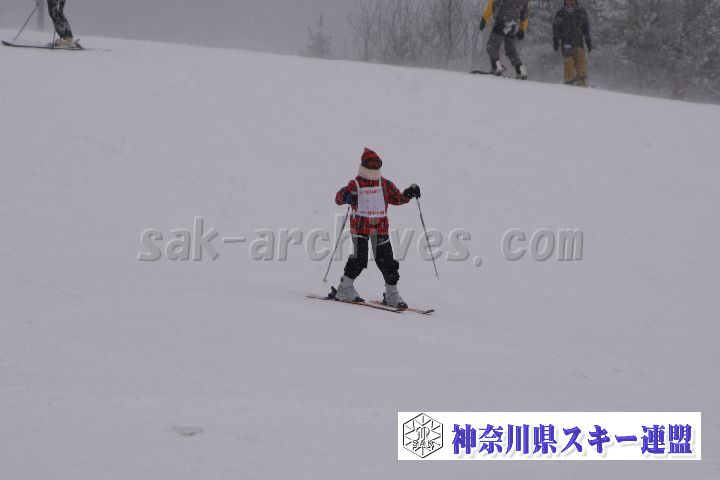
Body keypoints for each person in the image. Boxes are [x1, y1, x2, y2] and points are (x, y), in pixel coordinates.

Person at [332, 148, 421, 309]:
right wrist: (347, 197)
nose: (373, 167)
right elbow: (338, 197)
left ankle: (391, 293)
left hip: (380, 229)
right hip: (360, 228)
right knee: (359, 259)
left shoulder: (384, 184)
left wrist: (409, 193)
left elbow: (397, 198)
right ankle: (345, 287)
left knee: (387, 261)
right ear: (364, 165)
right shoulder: (356, 184)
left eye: (376, 164)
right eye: (370, 164)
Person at [479, 0, 530, 79]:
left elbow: (492, 4)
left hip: (502, 21)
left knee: (492, 45)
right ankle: (520, 69)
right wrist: (522, 28)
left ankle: (496, 66)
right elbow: (525, 14)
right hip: (513, 24)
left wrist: (484, 18)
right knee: (511, 50)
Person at [553, 0, 592, 86]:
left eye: (572, 0)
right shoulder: (561, 13)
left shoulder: (581, 12)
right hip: (566, 42)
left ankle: (582, 81)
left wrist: (588, 39)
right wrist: (556, 39)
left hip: (579, 42)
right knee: (569, 61)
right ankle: (569, 80)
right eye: (567, 0)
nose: (569, 2)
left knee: (580, 61)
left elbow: (586, 27)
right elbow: (556, 28)